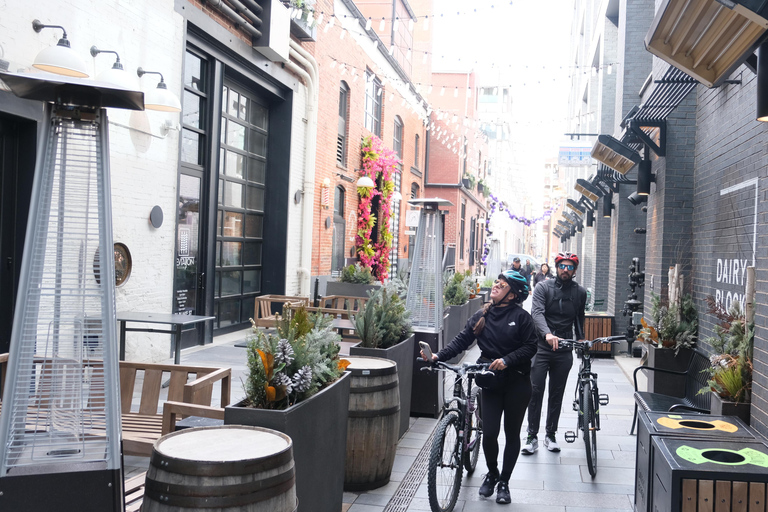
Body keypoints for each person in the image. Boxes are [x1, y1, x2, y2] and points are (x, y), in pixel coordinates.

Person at [421, 270, 537, 504]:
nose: (495, 286)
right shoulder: (482, 315)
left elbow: (531, 347)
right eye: (496, 282)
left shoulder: (522, 318)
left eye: (502, 285)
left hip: (517, 384)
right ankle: (492, 474)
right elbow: (461, 341)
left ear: (513, 295)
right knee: (490, 434)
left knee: (511, 434)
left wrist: (507, 360)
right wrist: (437, 356)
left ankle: (504, 481)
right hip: (491, 382)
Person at [522, 252, 587, 455]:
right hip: (541, 346)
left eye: (569, 267)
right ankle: (532, 436)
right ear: (556, 267)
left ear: (574, 270)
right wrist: (547, 334)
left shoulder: (580, 292)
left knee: (557, 393)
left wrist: (581, 338)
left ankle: (551, 434)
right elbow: (537, 313)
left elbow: (579, 317)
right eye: (562, 266)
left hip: (564, 347)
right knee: (535, 390)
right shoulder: (543, 287)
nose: (565, 270)